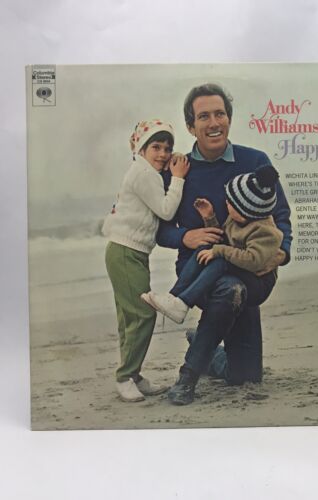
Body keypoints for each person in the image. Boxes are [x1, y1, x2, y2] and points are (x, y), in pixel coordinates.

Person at [156, 84, 292, 405]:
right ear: (191, 126)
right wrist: (184, 237)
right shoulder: (177, 171)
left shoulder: (254, 161)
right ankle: (187, 378)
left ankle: (204, 344)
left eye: (220, 114)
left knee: (245, 375)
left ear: (229, 119)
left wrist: (281, 253)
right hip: (199, 269)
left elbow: (281, 216)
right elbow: (159, 230)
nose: (214, 122)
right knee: (229, 289)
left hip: (252, 270)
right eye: (204, 116)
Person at [102, 119, 190, 402]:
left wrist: (170, 169)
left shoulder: (144, 170)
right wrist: (178, 178)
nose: (163, 154)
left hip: (129, 252)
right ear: (141, 148)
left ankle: (133, 375)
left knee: (130, 317)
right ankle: (125, 376)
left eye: (167, 148)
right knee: (143, 314)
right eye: (156, 147)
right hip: (125, 252)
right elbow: (166, 210)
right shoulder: (143, 174)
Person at [142, 164, 283, 325]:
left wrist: (218, 251)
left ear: (244, 211)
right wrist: (209, 217)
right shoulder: (236, 218)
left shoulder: (266, 232)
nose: (226, 202)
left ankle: (184, 303)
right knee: (206, 246)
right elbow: (223, 242)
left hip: (258, 284)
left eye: (230, 202)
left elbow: (253, 260)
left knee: (220, 260)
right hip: (243, 270)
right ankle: (174, 297)